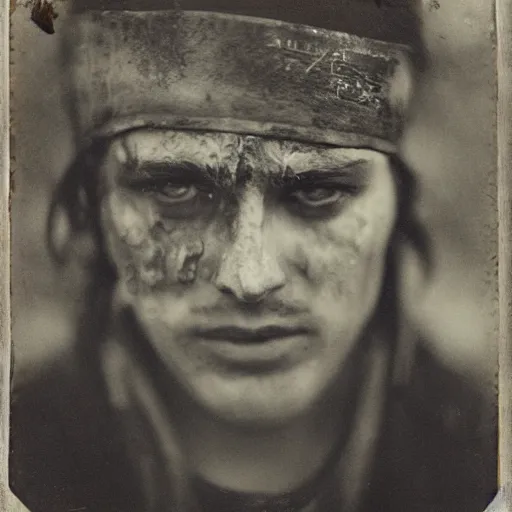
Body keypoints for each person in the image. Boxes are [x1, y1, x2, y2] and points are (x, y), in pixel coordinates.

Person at [9, 1, 497, 511]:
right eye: (175, 187)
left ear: (397, 199)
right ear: (94, 201)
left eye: (318, 192)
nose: (249, 278)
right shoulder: (19, 463)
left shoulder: (485, 470)